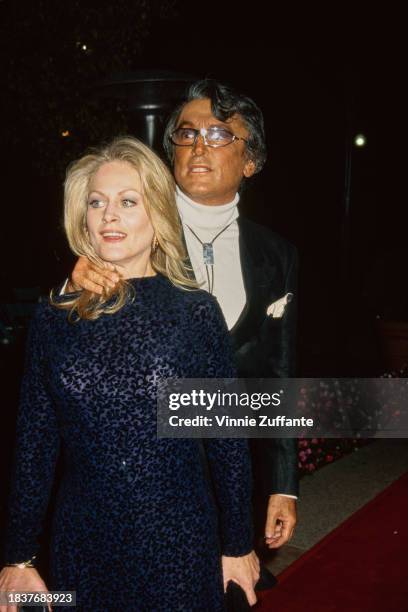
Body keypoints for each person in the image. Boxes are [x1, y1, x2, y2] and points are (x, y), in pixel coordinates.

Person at [0, 137, 259, 611]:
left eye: (127, 201)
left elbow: (228, 441)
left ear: (157, 215)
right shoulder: (53, 318)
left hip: (179, 539)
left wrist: (237, 543)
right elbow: (34, 445)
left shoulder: (195, 313)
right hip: (82, 542)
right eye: (96, 202)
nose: (108, 215)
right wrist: (17, 556)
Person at [69, 80, 299, 549]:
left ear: (250, 160)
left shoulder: (278, 255)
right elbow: (72, 344)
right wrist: (76, 284)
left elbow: (279, 375)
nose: (198, 144)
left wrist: (282, 483)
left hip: (236, 473)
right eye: (187, 133)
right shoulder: (131, 229)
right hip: (142, 477)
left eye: (218, 135)